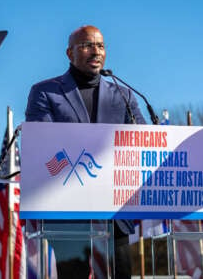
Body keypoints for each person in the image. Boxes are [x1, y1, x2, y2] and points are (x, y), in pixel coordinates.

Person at [25, 25, 146, 278]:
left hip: (114, 209)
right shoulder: (45, 91)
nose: (96, 51)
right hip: (67, 206)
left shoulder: (123, 94)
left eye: (100, 46)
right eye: (87, 45)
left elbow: (142, 139)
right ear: (70, 53)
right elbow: (42, 141)